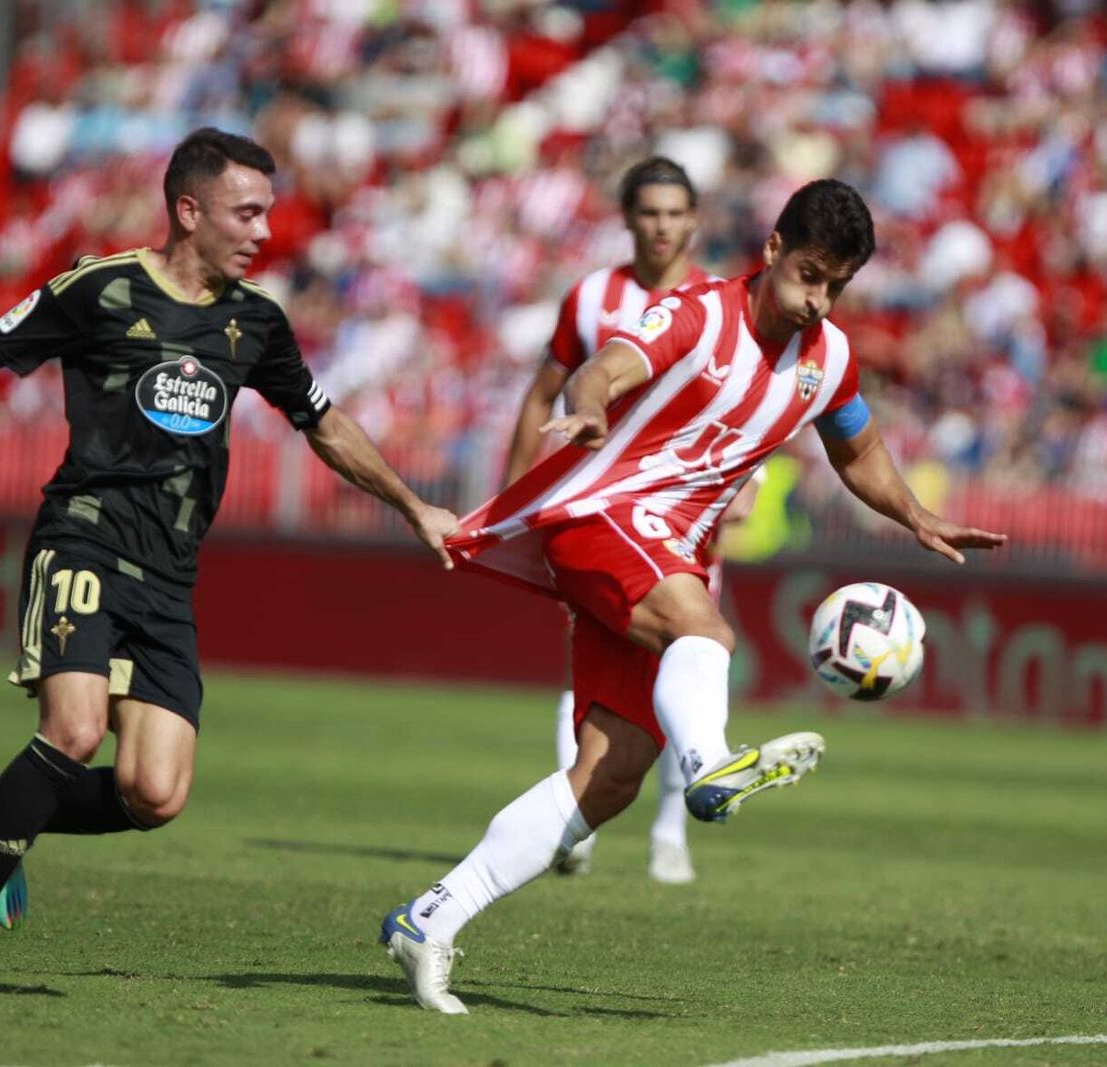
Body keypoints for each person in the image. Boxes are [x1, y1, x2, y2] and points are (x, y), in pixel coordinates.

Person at [0, 127, 460, 1004]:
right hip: (84, 538)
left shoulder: (256, 323)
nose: (263, 230)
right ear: (189, 210)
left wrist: (413, 509)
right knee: (72, 730)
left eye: (267, 213)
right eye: (245, 212)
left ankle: (10, 808)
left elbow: (323, 423)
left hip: (170, 573)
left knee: (155, 792)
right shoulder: (98, 289)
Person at [378, 179, 1006, 1013]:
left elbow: (857, 453)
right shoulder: (697, 313)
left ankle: (431, 917)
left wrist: (917, 515)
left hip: (669, 548)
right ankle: (710, 764)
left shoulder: (828, 360)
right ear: (774, 249)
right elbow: (598, 372)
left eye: (838, 286)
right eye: (810, 275)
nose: (818, 300)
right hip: (603, 514)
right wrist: (593, 410)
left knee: (610, 775)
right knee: (703, 628)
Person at [502, 156, 721, 885]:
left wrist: (744, 485)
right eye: (649, 211)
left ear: (694, 219)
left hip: (690, 513)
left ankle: (669, 832)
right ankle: (581, 816)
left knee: (683, 660)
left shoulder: (718, 302)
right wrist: (514, 495)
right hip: (600, 509)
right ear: (628, 217)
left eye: (674, 212)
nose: (661, 225)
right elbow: (543, 394)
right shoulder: (592, 297)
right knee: (593, 653)